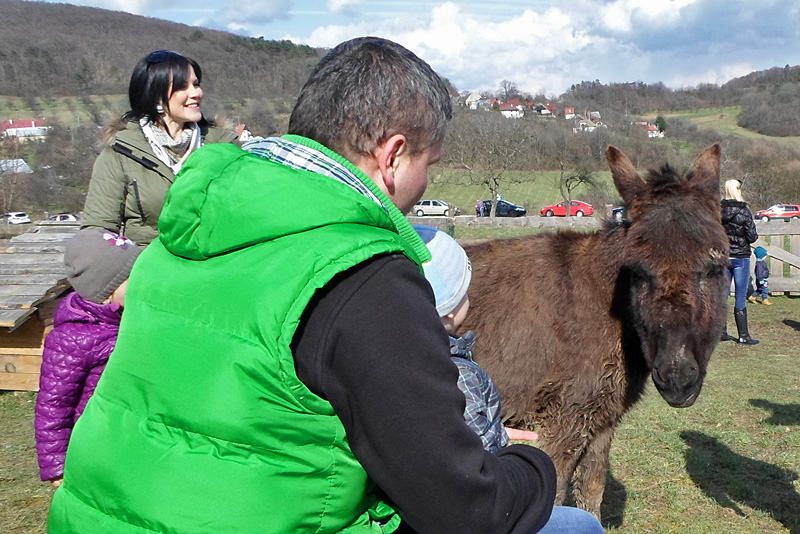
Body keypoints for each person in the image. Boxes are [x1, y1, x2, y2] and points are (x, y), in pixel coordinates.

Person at [49, 37, 603, 534]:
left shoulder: (184, 231)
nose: (426, 183)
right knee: (575, 527)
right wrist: (533, 465)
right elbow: (466, 511)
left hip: (96, 514)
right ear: (392, 156)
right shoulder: (365, 277)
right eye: (427, 164)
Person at [81, 50, 238, 245]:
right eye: (183, 87)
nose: (196, 93)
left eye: (196, 84)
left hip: (213, 264)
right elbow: (99, 232)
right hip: (147, 265)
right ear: (155, 97)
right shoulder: (120, 154)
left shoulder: (225, 148)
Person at [414, 224, 538, 453]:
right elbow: (473, 449)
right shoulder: (458, 373)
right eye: (465, 291)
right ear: (451, 308)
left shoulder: (404, 355)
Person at [34, 228, 142, 488]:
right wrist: (57, 466)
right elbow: (53, 406)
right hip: (97, 443)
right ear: (105, 291)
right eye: (133, 277)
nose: (146, 281)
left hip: (136, 435)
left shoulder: (137, 317)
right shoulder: (71, 338)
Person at [720, 178, 759, 345]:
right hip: (741, 257)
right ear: (738, 191)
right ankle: (743, 335)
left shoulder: (718, 211)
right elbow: (752, 236)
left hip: (723, 256)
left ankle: (721, 332)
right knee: (741, 295)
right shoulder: (744, 212)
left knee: (723, 294)